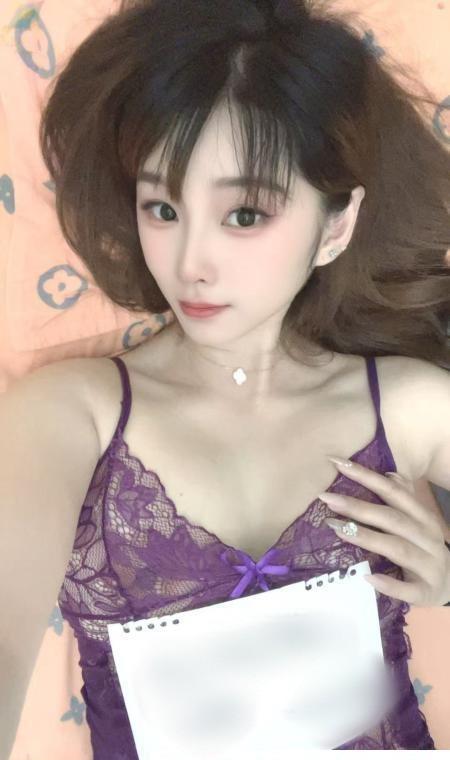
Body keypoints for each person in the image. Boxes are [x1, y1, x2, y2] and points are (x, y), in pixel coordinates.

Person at [1, 0, 450, 756]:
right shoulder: (67, 416)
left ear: (335, 226)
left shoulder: (410, 407)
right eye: (162, 207)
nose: (190, 263)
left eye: (243, 215)